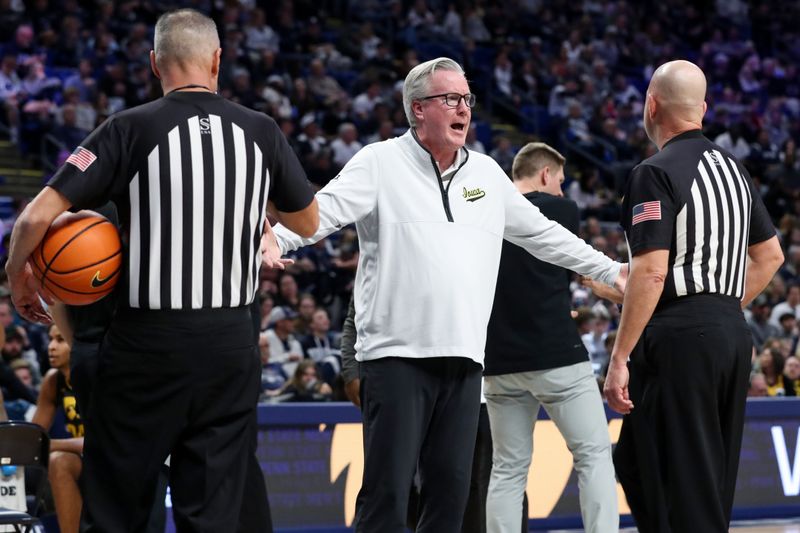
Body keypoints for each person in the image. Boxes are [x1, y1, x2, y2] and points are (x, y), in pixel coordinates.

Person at [265, 57, 624, 533]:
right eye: (450, 99)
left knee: (450, 497)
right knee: (387, 495)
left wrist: (610, 269)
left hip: (465, 364)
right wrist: (275, 237)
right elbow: (321, 213)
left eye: (467, 100)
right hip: (395, 359)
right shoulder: (379, 162)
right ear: (418, 109)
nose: (463, 109)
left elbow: (543, 235)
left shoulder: (487, 174)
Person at [5, 9, 318, 533]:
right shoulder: (261, 131)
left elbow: (36, 216)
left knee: (116, 511)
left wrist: (19, 277)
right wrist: (256, 216)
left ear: (155, 64)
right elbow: (306, 221)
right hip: (228, 347)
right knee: (214, 514)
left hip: (145, 347)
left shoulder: (128, 128)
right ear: (218, 60)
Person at [603, 60, 784, 533]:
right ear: (702, 109)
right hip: (728, 331)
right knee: (647, 465)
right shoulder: (736, 172)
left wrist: (620, 356)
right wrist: (719, 306)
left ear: (651, 105)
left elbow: (651, 271)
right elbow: (770, 257)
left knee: (687, 482)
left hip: (680, 336)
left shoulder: (653, 172)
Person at [484, 142, 619, 533]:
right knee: (593, 455)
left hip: (499, 361)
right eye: (560, 181)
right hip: (555, 353)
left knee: (507, 469)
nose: (562, 190)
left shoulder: (485, 213)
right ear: (545, 175)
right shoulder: (561, 209)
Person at [31, 324, 84, 533]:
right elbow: (33, 438)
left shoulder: (100, 373)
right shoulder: (54, 380)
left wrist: (50, 444)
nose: (51, 347)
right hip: (82, 459)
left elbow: (103, 441)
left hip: (113, 458)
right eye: (51, 339)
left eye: (60, 340)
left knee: (55, 455)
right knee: (58, 462)